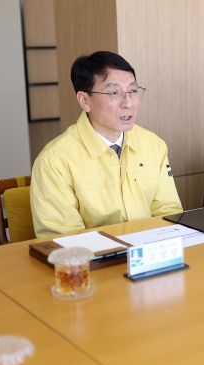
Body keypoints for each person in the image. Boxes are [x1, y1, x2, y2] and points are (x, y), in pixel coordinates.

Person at [31, 51, 182, 237]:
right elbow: (63, 239)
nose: (128, 103)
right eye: (114, 93)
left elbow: (169, 213)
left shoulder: (154, 145)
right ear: (85, 101)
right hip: (94, 255)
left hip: (149, 251)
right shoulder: (54, 160)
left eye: (133, 91)